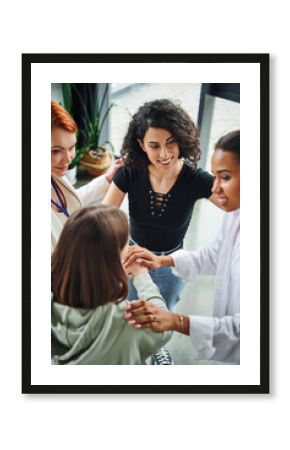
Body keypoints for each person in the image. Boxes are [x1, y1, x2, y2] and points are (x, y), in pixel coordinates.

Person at [123, 130, 240, 364]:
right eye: (215, 177)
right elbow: (214, 255)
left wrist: (177, 321)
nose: (215, 189)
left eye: (225, 177)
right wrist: (162, 261)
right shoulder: (235, 214)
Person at [103, 99, 217, 310]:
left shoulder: (196, 179)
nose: (164, 154)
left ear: (182, 139)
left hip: (172, 265)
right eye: (154, 146)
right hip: (132, 259)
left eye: (171, 142)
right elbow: (102, 218)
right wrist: (117, 253)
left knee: (162, 316)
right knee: (130, 312)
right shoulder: (131, 171)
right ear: (141, 145)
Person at [51, 204, 172, 365]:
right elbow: (165, 327)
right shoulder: (129, 322)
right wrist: (142, 276)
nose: (129, 249)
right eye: (125, 246)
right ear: (111, 262)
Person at [51, 101, 123, 251]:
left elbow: (69, 202)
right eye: (56, 151)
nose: (68, 158)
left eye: (71, 147)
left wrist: (107, 179)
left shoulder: (54, 174)